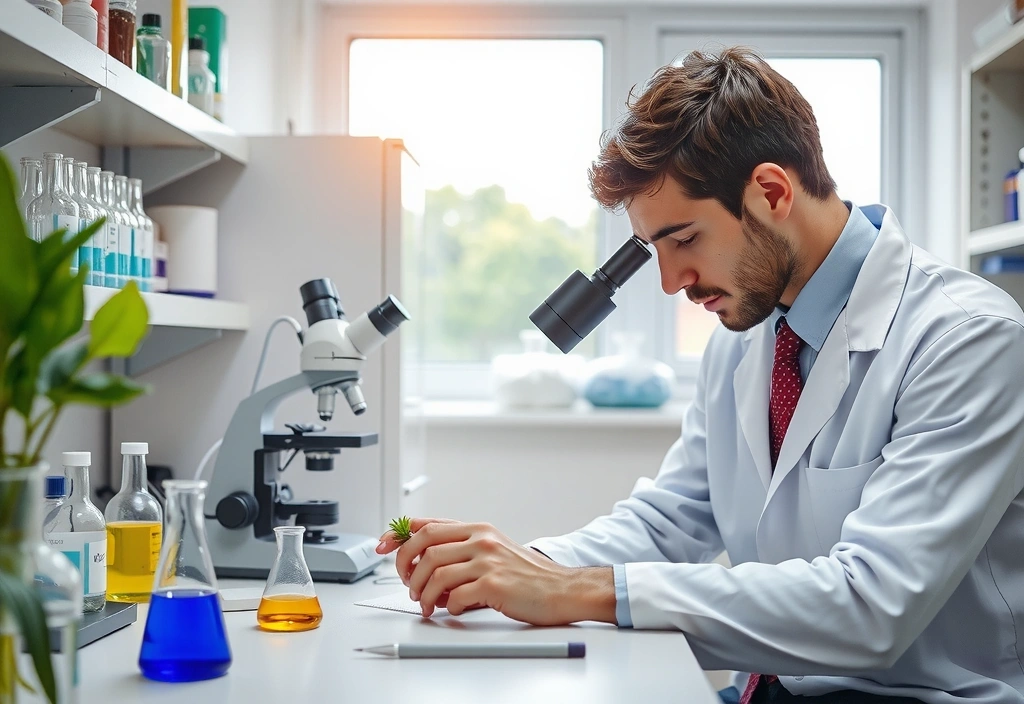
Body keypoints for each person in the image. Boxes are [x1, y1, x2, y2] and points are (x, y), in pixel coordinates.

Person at [375, 47, 1024, 704]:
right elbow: (674, 518)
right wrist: (515, 569)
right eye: (654, 250)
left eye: (683, 240)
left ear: (771, 192)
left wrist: (576, 591)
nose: (670, 282)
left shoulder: (965, 338)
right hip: (768, 690)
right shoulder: (748, 336)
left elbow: (872, 607)